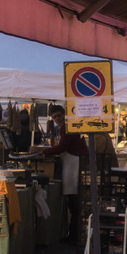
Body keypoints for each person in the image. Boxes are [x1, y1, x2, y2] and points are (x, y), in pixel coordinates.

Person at [37, 105, 88, 245]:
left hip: (74, 166)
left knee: (74, 203)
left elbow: (63, 147)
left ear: (64, 114)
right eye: (54, 117)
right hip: (72, 165)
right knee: (73, 203)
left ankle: (74, 236)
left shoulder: (69, 127)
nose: (57, 119)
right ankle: (73, 234)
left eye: (59, 116)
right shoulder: (66, 127)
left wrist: (43, 151)